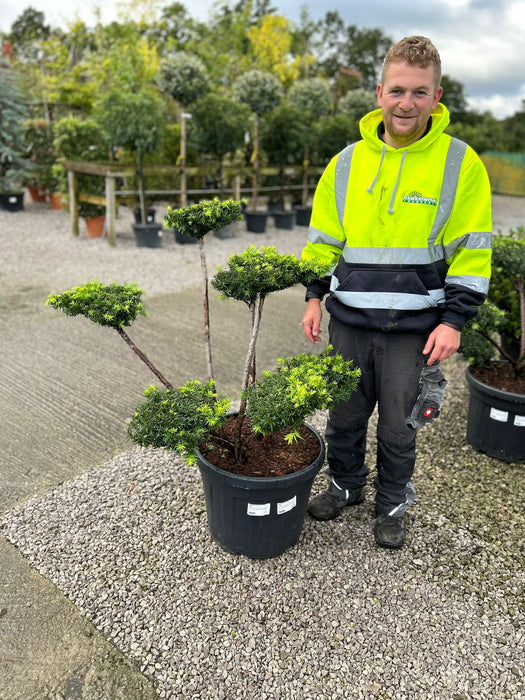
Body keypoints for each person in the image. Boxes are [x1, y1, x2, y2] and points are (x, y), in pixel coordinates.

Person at [301, 36, 492, 549]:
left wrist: (455, 320)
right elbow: (323, 239)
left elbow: (473, 249)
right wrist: (314, 297)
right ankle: (344, 486)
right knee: (343, 416)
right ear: (380, 91)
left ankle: (392, 503)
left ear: (437, 95)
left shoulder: (460, 163)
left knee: (399, 427)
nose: (406, 103)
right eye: (397, 90)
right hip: (349, 323)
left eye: (419, 92)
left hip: (416, 330)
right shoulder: (344, 164)